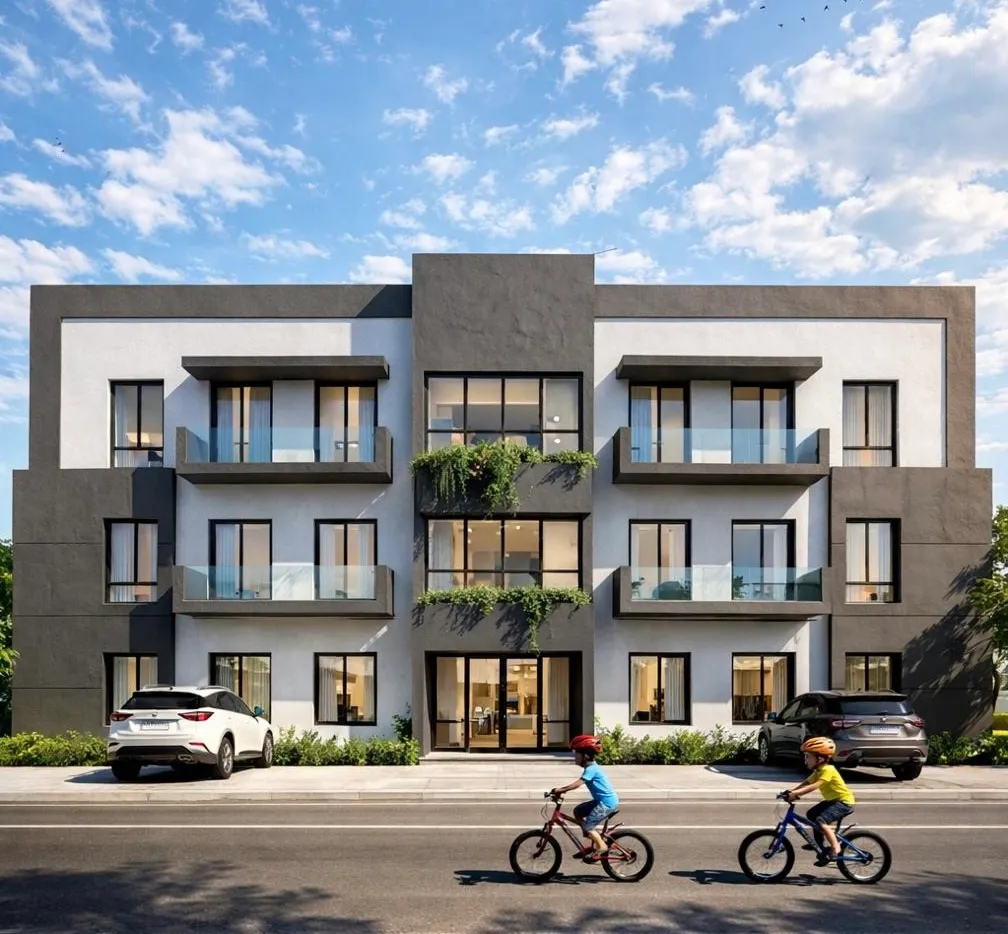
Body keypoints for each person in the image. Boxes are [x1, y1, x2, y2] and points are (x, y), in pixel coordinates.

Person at [785, 736, 856, 866]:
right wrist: (790, 791)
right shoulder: (818, 770)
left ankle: (836, 848)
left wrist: (796, 794)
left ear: (820, 759)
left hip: (843, 802)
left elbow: (814, 786)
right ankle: (820, 845)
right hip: (833, 801)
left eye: (808, 756)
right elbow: (807, 783)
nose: (805, 759)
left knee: (820, 819)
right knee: (811, 814)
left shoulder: (828, 770)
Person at [549, 734, 620, 862]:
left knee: (588, 825)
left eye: (576, 753)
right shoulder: (591, 768)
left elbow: (578, 784)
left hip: (607, 803)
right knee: (578, 812)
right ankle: (592, 838)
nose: (574, 756)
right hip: (601, 801)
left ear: (586, 755)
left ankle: (602, 846)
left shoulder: (591, 769)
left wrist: (560, 790)